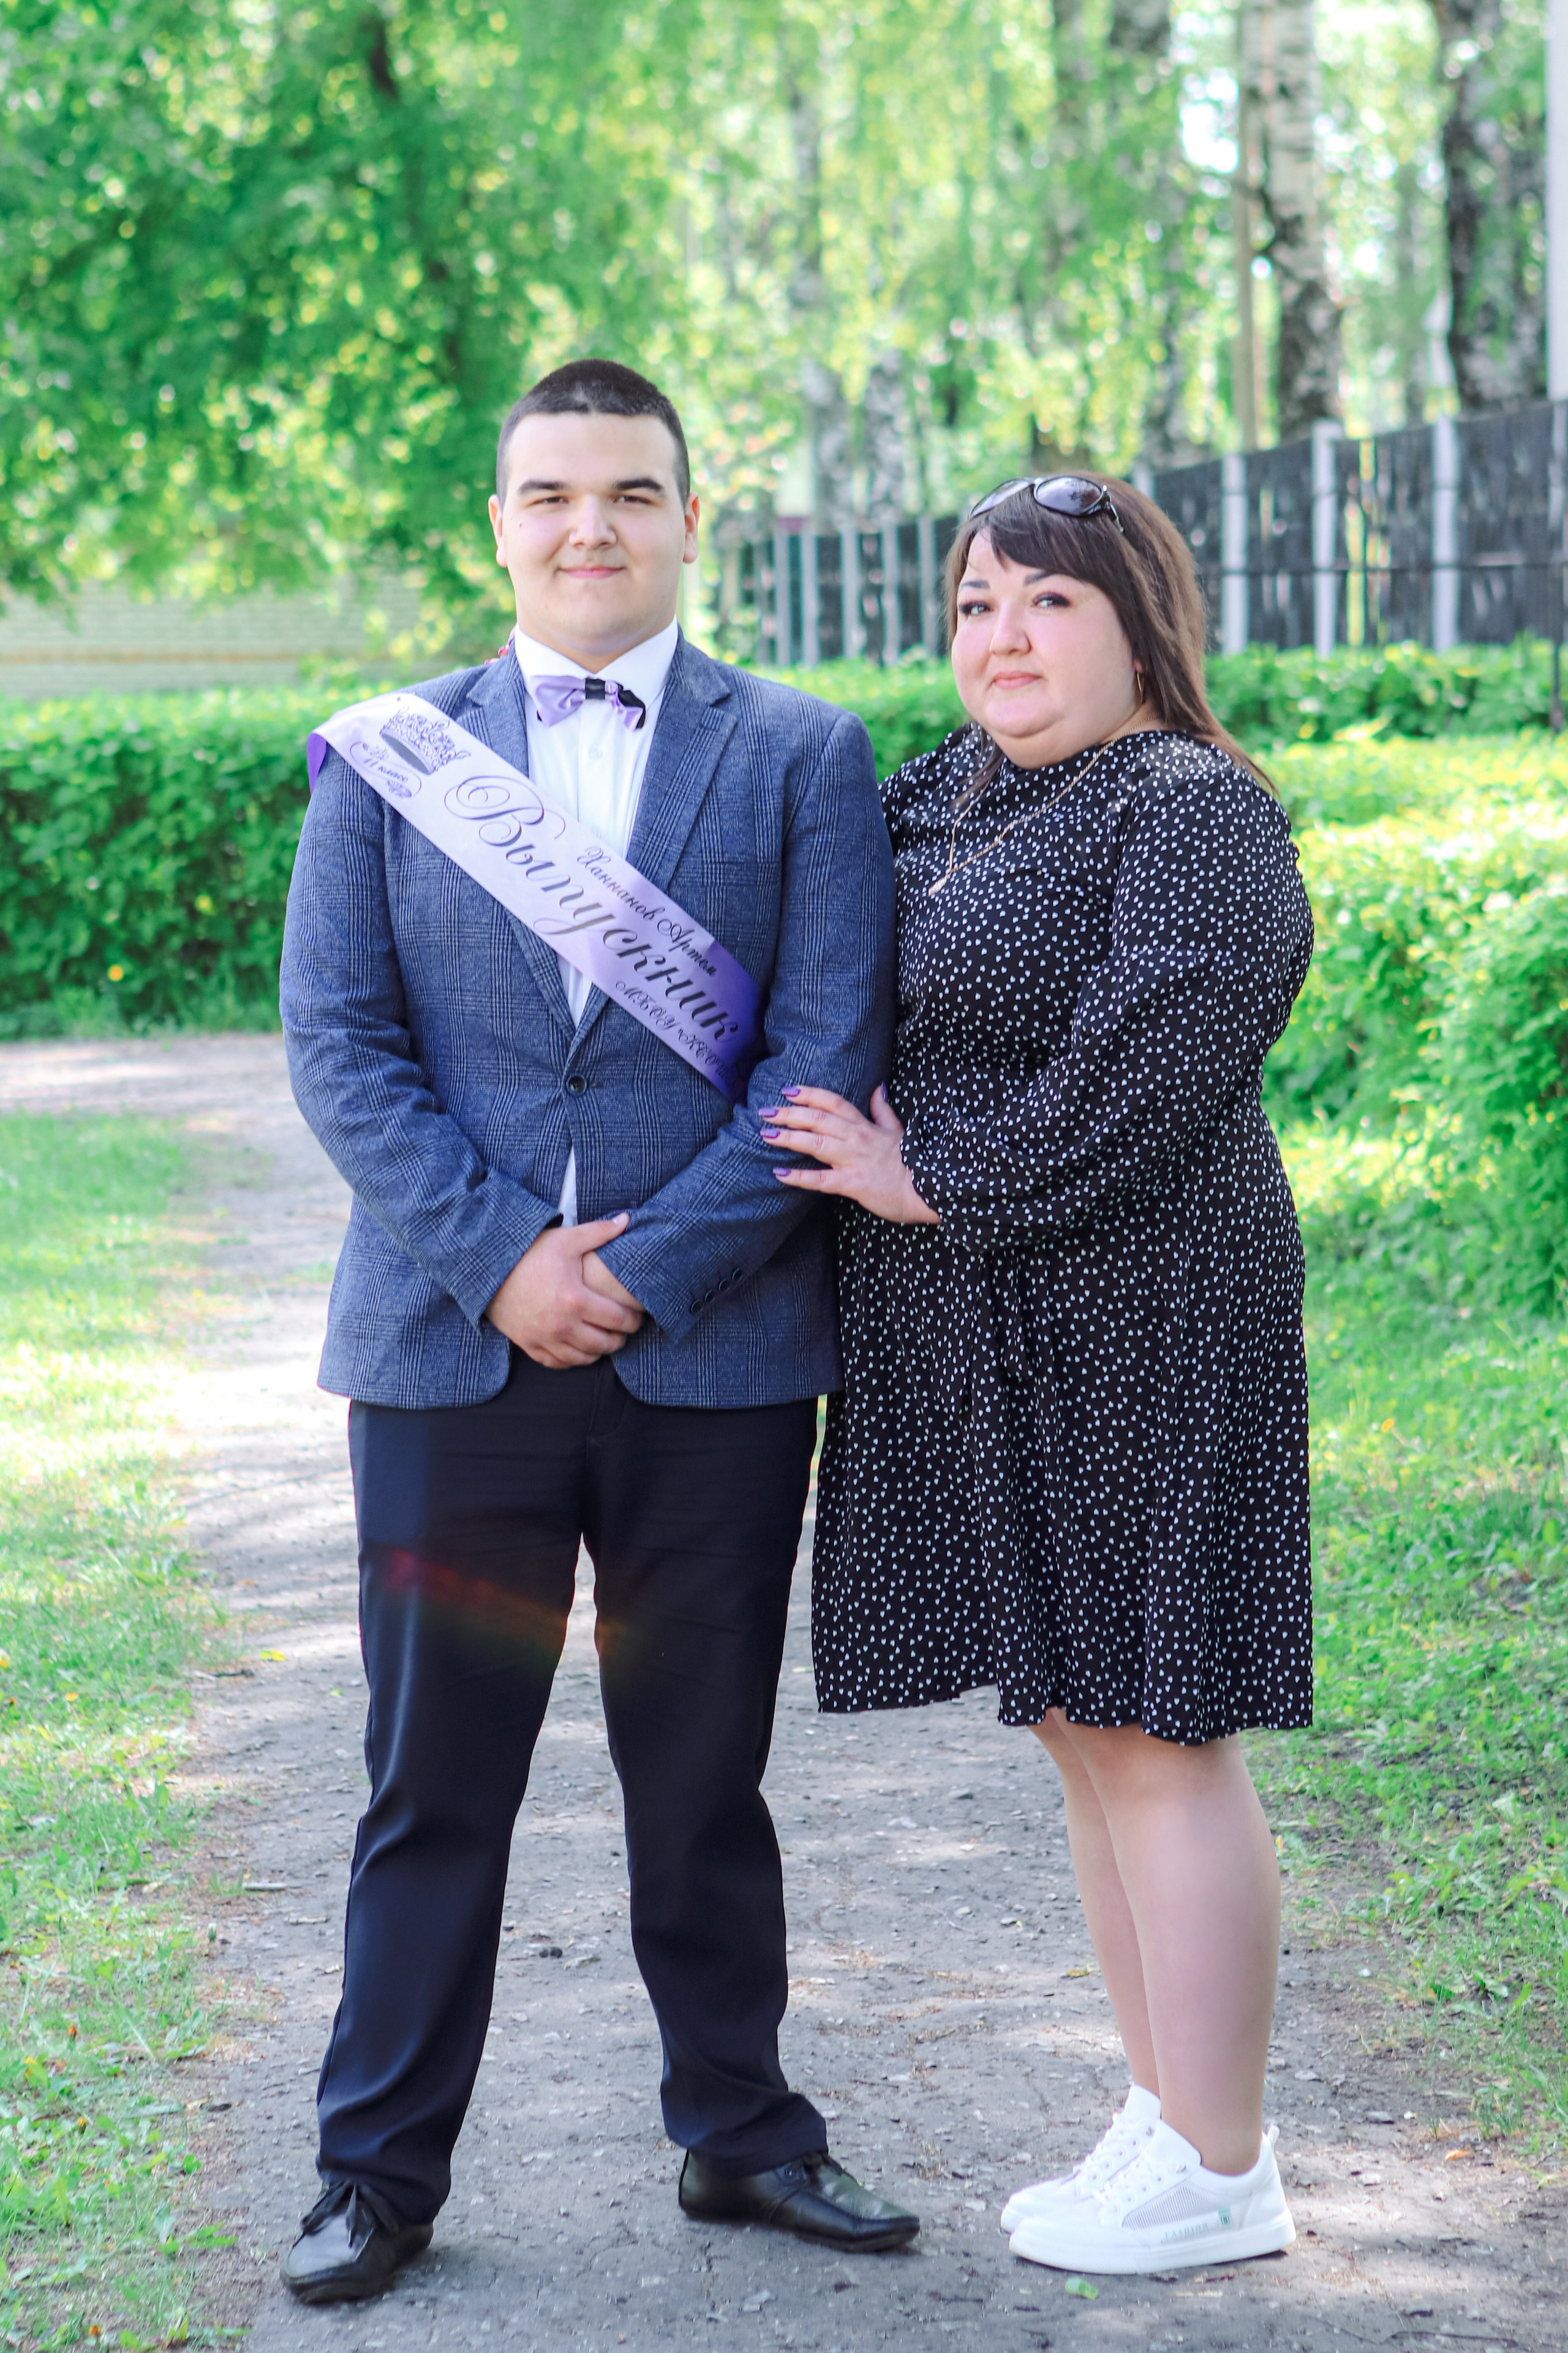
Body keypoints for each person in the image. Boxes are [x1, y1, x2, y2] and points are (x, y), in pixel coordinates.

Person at [277, 358, 915, 2305]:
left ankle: (741, 2132)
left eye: (630, 493)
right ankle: (376, 2173)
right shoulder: (393, 754)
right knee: (429, 1780)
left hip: (710, 1366)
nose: (589, 528)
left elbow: (824, 1057)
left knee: (701, 1771)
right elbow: (340, 1047)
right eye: (550, 494)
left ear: (691, 517)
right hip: (450, 1355)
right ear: (498, 522)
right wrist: (509, 1262)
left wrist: (640, 1271)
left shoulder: (805, 752)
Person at [761, 472, 1313, 2276]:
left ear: (1142, 621)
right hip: (981, 1332)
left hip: (1150, 1309)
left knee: (1163, 1728)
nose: (1003, 637)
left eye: (1050, 603)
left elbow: (1163, 1048)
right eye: (977, 602)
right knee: (1080, 1728)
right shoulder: (950, 794)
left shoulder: (1192, 806)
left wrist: (938, 1174)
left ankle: (1227, 2158)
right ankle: (1166, 2109)